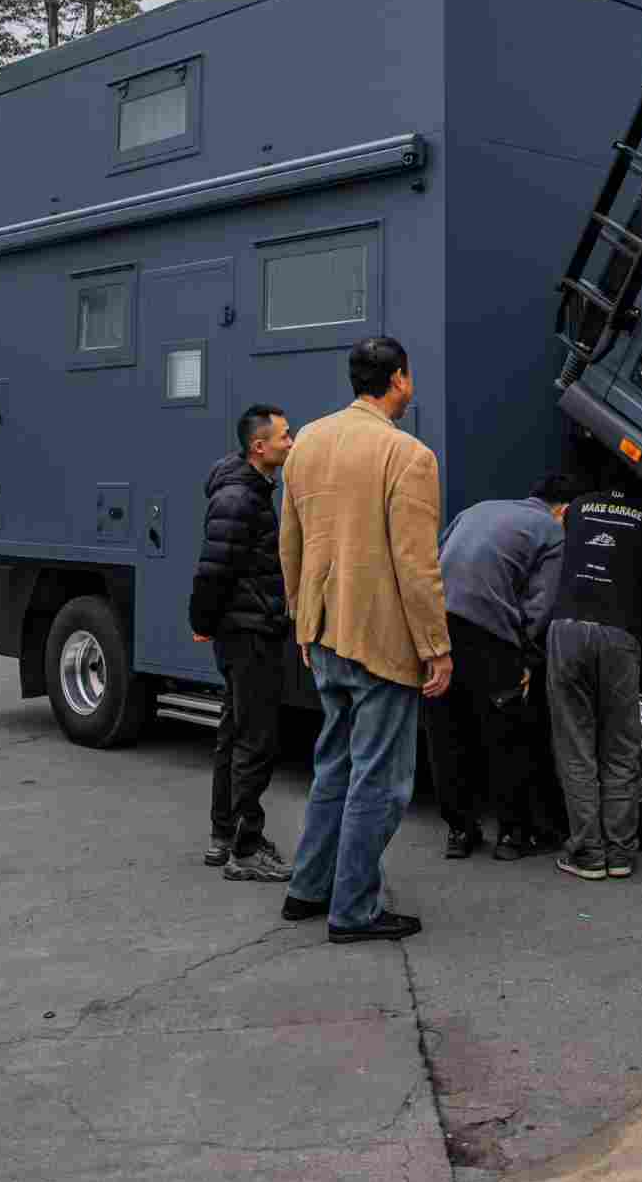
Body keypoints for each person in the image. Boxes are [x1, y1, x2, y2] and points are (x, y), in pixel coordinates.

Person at [279, 337, 453, 944]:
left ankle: (308, 886)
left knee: (334, 765)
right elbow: (417, 564)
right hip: (379, 640)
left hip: (324, 632)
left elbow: (291, 544)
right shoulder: (408, 455)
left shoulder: (307, 444)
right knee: (380, 779)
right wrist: (436, 645)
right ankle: (353, 909)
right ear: (399, 380)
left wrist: (303, 619)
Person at [427, 473, 580, 864]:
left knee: (448, 732)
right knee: (505, 734)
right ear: (563, 511)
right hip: (490, 636)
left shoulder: (476, 510)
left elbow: (436, 561)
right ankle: (512, 834)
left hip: (438, 628)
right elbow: (540, 604)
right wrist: (526, 657)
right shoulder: (552, 531)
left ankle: (460, 831)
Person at [188, 404, 295, 882]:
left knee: (233, 735)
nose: (290, 443)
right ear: (259, 447)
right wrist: (203, 620)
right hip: (248, 633)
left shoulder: (251, 490)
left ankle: (222, 837)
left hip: (243, 628)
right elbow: (214, 568)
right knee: (254, 740)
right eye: (284, 437)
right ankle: (246, 849)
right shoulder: (240, 498)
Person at [547, 484, 642, 882]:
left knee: (576, 746)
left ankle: (589, 854)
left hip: (569, 627)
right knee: (621, 746)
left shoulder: (575, 508)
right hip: (619, 631)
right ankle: (620, 853)